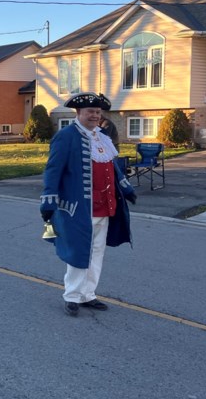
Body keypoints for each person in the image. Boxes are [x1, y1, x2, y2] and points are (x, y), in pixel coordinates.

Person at [39, 92, 136, 317]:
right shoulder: (66, 136)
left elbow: (112, 167)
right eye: (90, 112)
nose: (95, 115)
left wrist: (126, 187)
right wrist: (48, 199)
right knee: (79, 250)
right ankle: (72, 296)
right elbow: (53, 170)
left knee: (97, 251)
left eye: (98, 112)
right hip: (78, 207)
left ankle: (88, 294)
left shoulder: (102, 137)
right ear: (79, 113)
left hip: (105, 205)